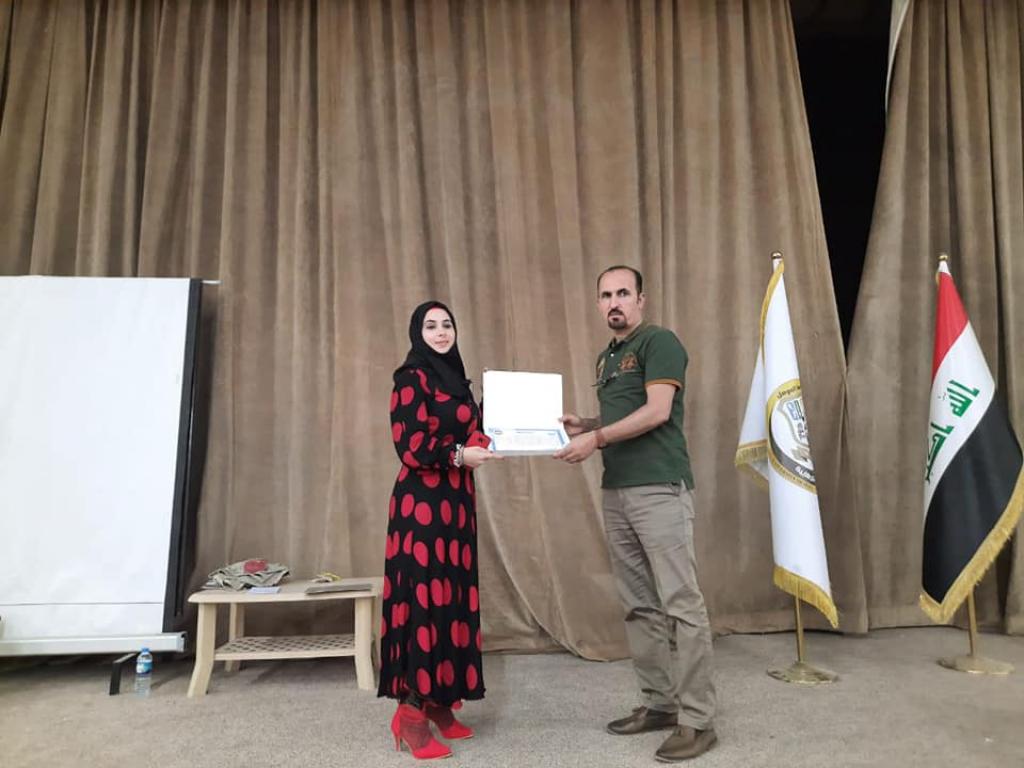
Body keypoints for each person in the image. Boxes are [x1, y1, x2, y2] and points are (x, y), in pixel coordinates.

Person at [554, 266, 717, 762]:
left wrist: (596, 438)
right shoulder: (607, 356)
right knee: (639, 605)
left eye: (623, 293)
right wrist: (587, 423)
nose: (614, 302)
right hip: (618, 489)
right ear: (598, 304)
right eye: (605, 295)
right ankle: (660, 704)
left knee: (681, 604)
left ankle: (698, 720)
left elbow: (657, 411)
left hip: (659, 488)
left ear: (641, 299)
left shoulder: (658, 341)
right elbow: (626, 413)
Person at [380, 300, 499, 760]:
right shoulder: (411, 379)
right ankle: (410, 715)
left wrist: (502, 413)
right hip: (423, 507)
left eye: (447, 324)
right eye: (431, 326)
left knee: (451, 600)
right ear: (418, 333)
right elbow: (410, 446)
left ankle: (438, 703)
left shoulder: (456, 380)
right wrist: (459, 456)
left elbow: (471, 431)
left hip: (456, 505)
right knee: (424, 605)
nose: (441, 332)